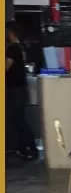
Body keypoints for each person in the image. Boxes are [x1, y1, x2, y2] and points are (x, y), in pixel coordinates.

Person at [6, 23, 38, 160]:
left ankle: (31, 148)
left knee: (19, 119)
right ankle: (22, 148)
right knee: (18, 119)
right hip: (20, 87)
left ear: (10, 33)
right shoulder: (20, 47)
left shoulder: (13, 48)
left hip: (16, 88)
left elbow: (5, 67)